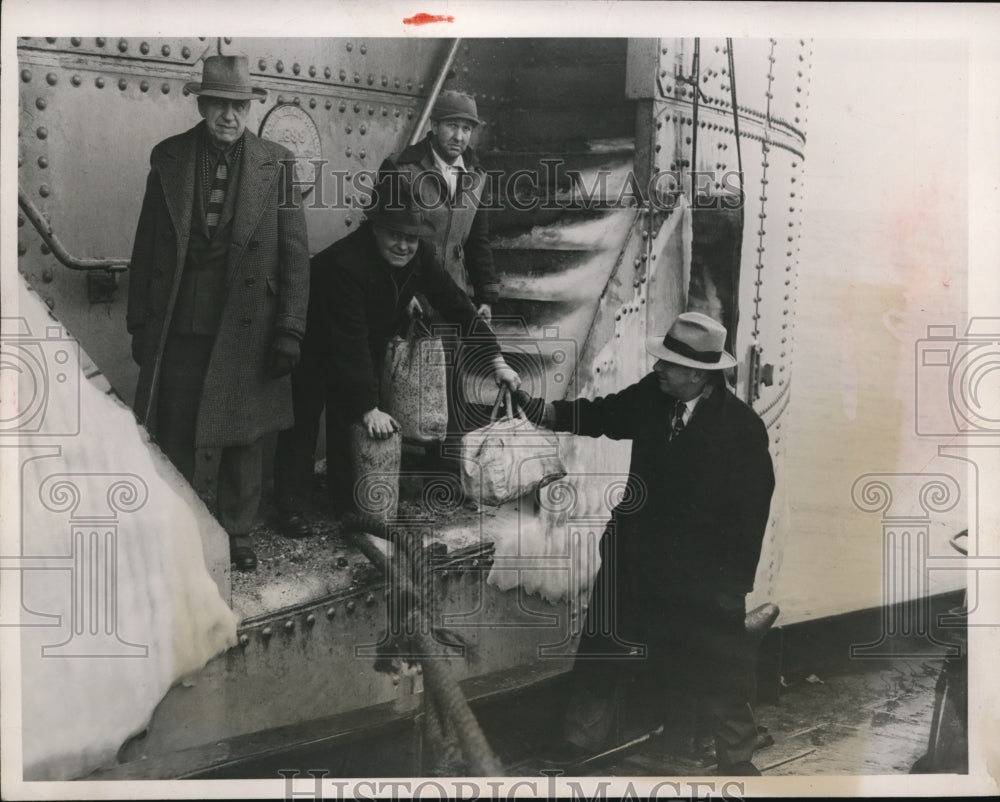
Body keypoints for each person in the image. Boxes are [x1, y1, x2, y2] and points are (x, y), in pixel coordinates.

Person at [516, 311, 775, 775]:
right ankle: (580, 742)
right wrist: (546, 412)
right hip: (635, 556)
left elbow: (751, 515)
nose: (658, 369)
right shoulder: (654, 397)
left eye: (669, 365)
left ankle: (736, 760)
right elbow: (605, 413)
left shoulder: (741, 430)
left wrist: (731, 584)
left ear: (698, 375)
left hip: (703, 573)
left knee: (721, 663)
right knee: (602, 646)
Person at [127, 55, 310, 572]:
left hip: (248, 318)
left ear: (248, 109)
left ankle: (237, 532)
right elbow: (145, 246)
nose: (229, 116)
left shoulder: (277, 162)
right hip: (182, 317)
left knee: (244, 433)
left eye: (238, 106)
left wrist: (290, 328)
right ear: (203, 105)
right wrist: (140, 321)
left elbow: (295, 252)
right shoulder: (170, 157)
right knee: (177, 425)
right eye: (220, 105)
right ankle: (184, 523)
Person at [272, 179, 519, 537]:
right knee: (304, 422)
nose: (403, 245)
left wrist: (495, 359)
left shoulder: (420, 256)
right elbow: (348, 341)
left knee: (348, 424)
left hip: (363, 340)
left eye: (411, 237)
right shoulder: (345, 264)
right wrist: (369, 404)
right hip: (316, 341)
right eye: (394, 235)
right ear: (374, 228)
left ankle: (347, 505)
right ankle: (291, 507)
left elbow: (458, 305)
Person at [379, 89, 499, 320]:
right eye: (452, 126)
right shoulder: (401, 169)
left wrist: (486, 297)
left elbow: (478, 241)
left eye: (466, 129)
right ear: (434, 126)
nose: (459, 137)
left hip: (454, 297)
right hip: (410, 297)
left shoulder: (478, 176)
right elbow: (381, 237)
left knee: (451, 355)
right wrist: (401, 291)